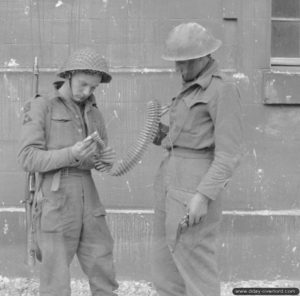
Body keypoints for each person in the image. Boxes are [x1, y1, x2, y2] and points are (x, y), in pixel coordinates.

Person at [151, 23, 243, 296]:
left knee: (196, 267)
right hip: (168, 177)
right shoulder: (187, 88)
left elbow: (229, 154)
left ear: (203, 57)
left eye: (183, 63)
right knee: (164, 268)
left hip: (195, 184)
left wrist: (203, 197)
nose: (178, 69)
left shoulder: (221, 90)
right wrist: (161, 130)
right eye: (176, 62)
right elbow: (176, 138)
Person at [18, 47, 119, 296]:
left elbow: (96, 159)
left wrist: (103, 161)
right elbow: (27, 158)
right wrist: (71, 154)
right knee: (56, 276)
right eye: (83, 84)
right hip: (55, 196)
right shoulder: (42, 105)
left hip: (89, 195)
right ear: (69, 75)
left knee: (102, 261)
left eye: (93, 88)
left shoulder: (94, 112)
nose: (87, 92)